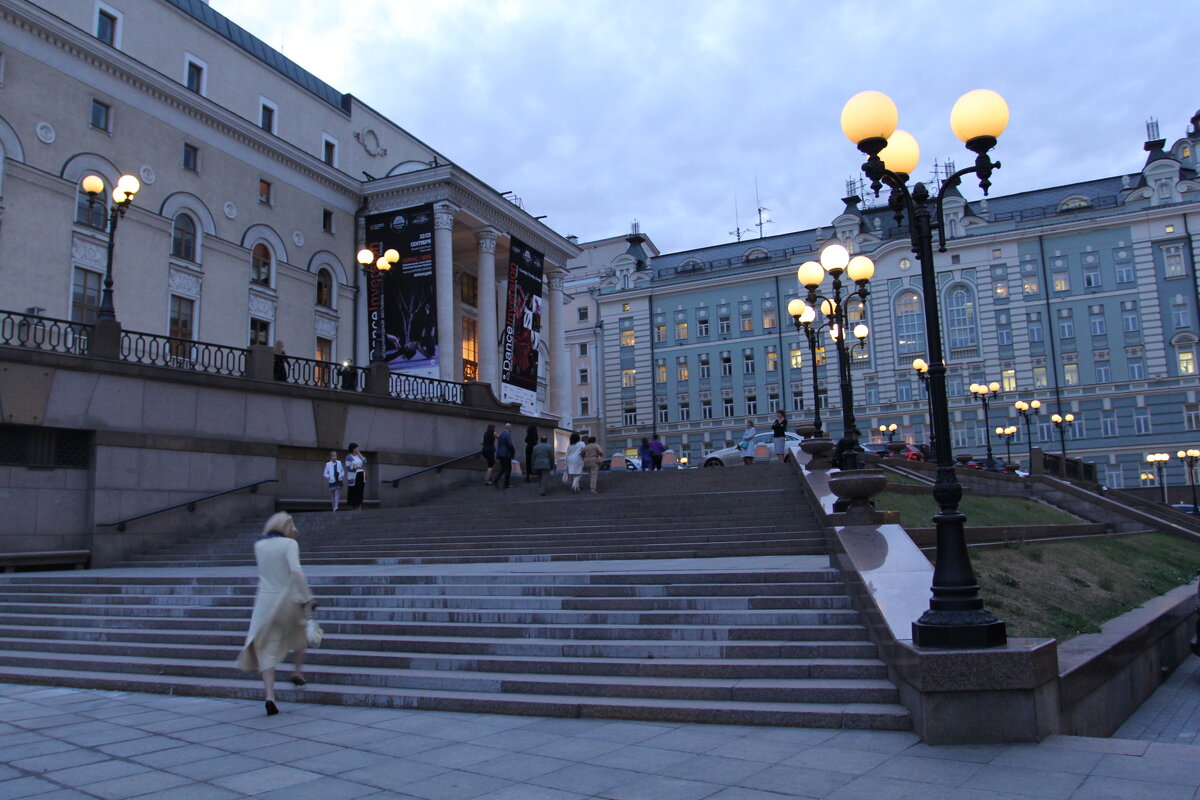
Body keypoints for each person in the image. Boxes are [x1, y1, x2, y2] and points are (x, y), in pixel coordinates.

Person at [237, 512, 316, 716]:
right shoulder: (290, 545)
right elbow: (295, 571)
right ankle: (297, 672)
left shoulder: (259, 546)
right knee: (301, 635)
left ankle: (270, 696)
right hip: (287, 599)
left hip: (265, 602)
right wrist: (308, 597)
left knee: (266, 649)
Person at [344, 443, 365, 509]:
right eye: (356, 448)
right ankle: (353, 505)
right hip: (354, 476)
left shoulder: (358, 456)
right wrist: (356, 467)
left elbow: (365, 461)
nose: (358, 449)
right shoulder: (348, 457)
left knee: (360, 489)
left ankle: (360, 505)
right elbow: (348, 467)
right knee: (354, 490)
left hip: (361, 474)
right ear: (353, 449)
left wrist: (359, 454)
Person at [495, 423, 515, 489]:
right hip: (506, 454)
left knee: (502, 468)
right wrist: (513, 451)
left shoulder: (501, 434)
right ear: (509, 428)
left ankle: (495, 480)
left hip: (500, 454)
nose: (511, 429)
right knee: (508, 469)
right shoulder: (507, 434)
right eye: (511, 428)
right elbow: (510, 444)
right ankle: (506, 484)